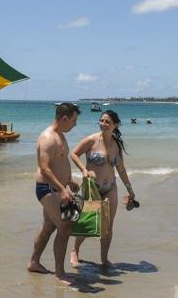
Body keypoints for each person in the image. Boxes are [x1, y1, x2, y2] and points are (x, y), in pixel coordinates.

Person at [68, 110, 134, 268]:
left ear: (115, 125)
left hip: (110, 187)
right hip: (93, 187)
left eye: (107, 122)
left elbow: (122, 169)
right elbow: (74, 153)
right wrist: (84, 170)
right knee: (87, 222)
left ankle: (104, 259)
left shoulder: (116, 144)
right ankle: (75, 251)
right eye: (101, 121)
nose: (103, 124)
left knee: (108, 226)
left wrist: (130, 190)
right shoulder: (92, 140)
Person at [27, 102, 81, 284]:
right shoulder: (48, 137)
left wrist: (69, 181)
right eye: (74, 121)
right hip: (48, 189)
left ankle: (34, 262)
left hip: (58, 187)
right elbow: (45, 169)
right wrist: (62, 188)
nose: (75, 125)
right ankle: (60, 273)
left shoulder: (61, 136)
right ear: (64, 118)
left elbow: (60, 164)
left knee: (49, 228)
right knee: (65, 228)